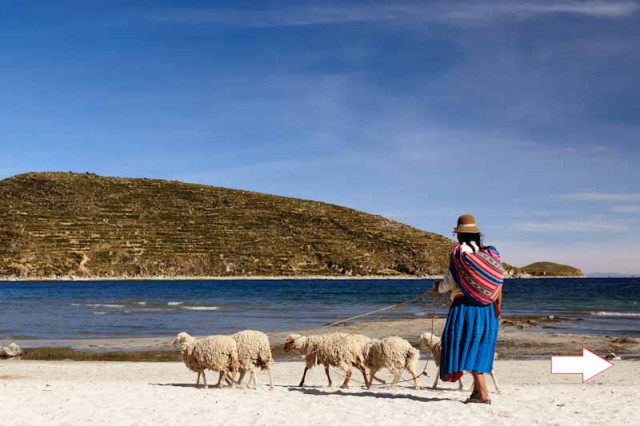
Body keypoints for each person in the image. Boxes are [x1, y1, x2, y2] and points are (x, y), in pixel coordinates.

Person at [432, 214, 503, 404]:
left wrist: (437, 287)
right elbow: (498, 284)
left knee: (465, 347)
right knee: (478, 348)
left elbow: (448, 283)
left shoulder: (459, 255)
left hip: (466, 308)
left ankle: (484, 394)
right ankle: (477, 393)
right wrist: (497, 308)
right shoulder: (489, 254)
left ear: (459, 235)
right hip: (488, 310)